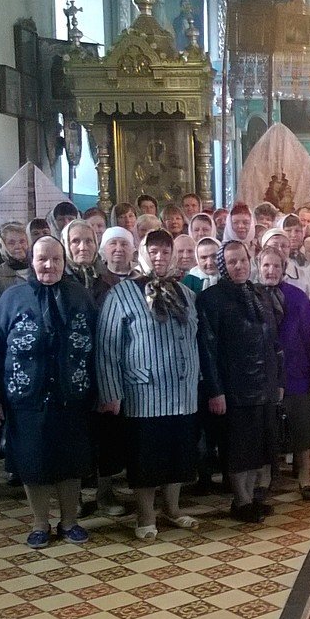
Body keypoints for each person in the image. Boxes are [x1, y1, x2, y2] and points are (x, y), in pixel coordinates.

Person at [0, 236, 96, 548]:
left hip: (73, 396)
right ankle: (40, 522)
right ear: (32, 261)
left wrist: (100, 391)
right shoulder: (12, 298)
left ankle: (70, 521)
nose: (49, 265)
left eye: (56, 259)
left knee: (70, 465)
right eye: (42, 258)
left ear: (65, 261)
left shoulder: (80, 295)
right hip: (27, 399)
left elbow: (99, 347)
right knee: (34, 463)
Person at [96, 229, 201, 540]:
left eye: (165, 251)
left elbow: (194, 340)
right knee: (147, 460)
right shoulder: (121, 294)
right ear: (140, 253)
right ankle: (145, 515)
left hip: (182, 392)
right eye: (152, 251)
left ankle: (173, 508)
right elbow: (107, 347)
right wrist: (110, 392)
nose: (159, 257)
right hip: (144, 394)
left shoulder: (186, 294)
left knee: (179, 455)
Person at [196, 240, 284, 523]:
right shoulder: (211, 298)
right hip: (233, 388)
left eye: (243, 260)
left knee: (257, 447)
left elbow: (272, 342)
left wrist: (276, 381)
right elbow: (207, 348)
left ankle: (249, 498)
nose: (239, 266)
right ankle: (241, 500)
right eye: (232, 262)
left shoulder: (259, 293)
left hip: (263, 385)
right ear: (223, 266)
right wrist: (215, 390)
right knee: (237, 449)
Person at [259, 246, 310, 501]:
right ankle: (265, 476)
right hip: (265, 375)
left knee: (301, 426)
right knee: (268, 427)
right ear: (259, 266)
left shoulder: (297, 297)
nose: (271, 270)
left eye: (276, 266)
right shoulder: (253, 296)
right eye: (266, 265)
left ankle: (304, 476)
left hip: (296, 371)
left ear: (284, 268)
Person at [62, 219, 102, 295]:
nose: (83, 247)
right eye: (75, 241)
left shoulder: (107, 278)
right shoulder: (58, 280)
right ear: (66, 245)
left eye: (89, 241)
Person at [0, 221, 29, 292]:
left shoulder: (39, 271)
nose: (18, 246)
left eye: (22, 241)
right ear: (3, 246)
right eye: (11, 243)